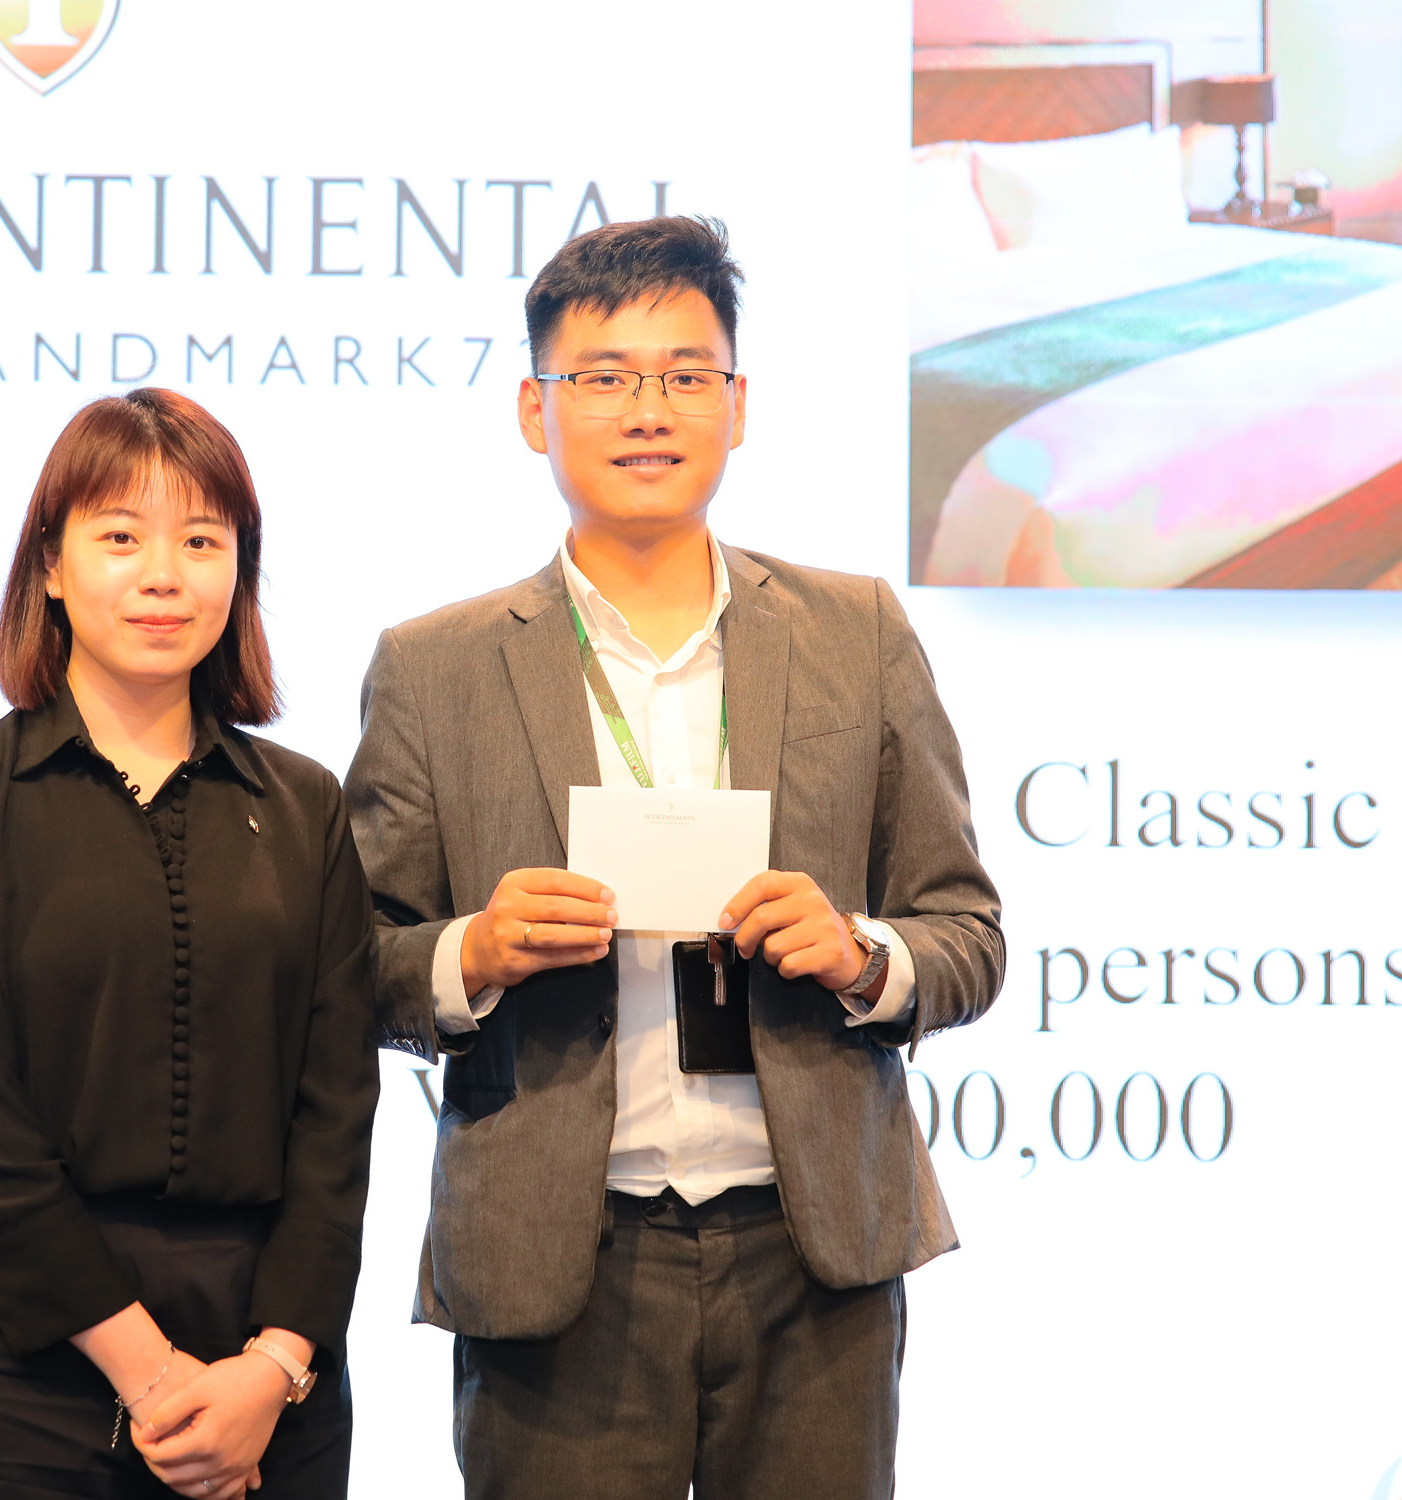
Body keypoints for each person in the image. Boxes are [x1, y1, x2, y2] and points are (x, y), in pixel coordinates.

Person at [344, 216, 1004, 1499]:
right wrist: (473, 953)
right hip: (558, 1256)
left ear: (737, 405)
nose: (648, 410)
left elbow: (966, 933)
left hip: (811, 1253)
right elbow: (357, 965)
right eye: (603, 376)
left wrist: (861, 957)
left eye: (685, 375)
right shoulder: (435, 666)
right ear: (535, 410)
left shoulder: (857, 630)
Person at [0, 387, 378, 1499]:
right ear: (50, 566)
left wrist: (274, 1368)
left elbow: (337, 1115)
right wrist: (151, 1375)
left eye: (202, 541)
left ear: (240, 571)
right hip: (18, 1360)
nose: (164, 576)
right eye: (120, 538)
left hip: (264, 1375)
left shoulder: (305, 805)